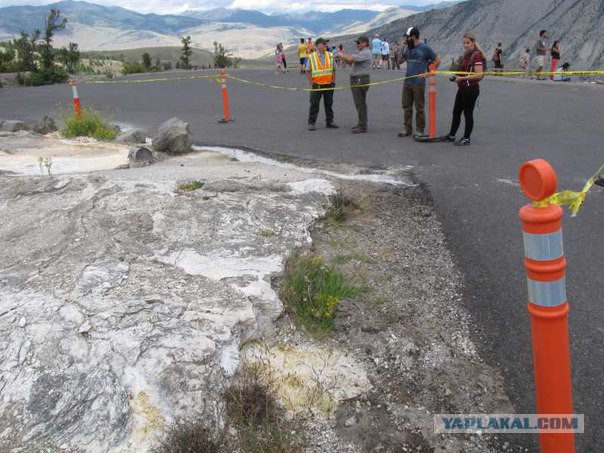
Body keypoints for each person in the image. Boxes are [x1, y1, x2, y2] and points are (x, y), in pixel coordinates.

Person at [441, 32, 485, 146]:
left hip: (471, 88)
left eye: (468, 43)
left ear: (473, 43)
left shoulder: (477, 55)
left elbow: (479, 75)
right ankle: (451, 135)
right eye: (464, 43)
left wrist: (461, 78)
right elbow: (463, 71)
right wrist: (457, 76)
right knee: (456, 112)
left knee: (468, 113)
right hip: (463, 87)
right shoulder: (466, 55)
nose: (465, 45)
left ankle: (466, 138)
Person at [399, 26, 441, 137]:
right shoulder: (408, 48)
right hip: (407, 81)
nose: (406, 39)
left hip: (418, 83)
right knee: (406, 106)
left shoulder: (425, 48)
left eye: (407, 37)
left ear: (413, 36)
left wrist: (429, 72)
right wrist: (402, 49)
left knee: (419, 107)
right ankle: (407, 128)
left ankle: (420, 129)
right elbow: (400, 61)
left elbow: (437, 60)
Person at [336, 35, 372, 133]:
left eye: (359, 43)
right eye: (357, 43)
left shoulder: (366, 53)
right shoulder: (361, 52)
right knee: (358, 102)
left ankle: (363, 126)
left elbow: (351, 59)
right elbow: (350, 61)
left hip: (360, 79)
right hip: (356, 79)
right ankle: (361, 123)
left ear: (365, 43)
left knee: (360, 103)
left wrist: (340, 55)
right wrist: (343, 58)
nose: (357, 44)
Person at [306, 37, 338, 131]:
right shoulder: (312, 57)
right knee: (314, 104)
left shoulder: (330, 55)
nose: (326, 45)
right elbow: (307, 71)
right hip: (317, 85)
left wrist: (333, 81)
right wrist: (311, 82)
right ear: (318, 45)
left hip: (329, 84)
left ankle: (330, 121)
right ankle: (311, 123)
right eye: (324, 44)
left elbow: (334, 69)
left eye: (326, 44)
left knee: (329, 104)